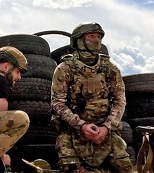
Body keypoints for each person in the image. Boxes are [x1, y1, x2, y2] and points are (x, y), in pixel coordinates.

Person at [51, 22, 134, 172]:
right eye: (91, 36)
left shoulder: (110, 69)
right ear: (79, 40)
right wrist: (81, 125)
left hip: (105, 132)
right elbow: (58, 103)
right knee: (71, 167)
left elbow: (120, 101)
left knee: (125, 167)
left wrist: (107, 128)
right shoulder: (65, 69)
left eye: (99, 37)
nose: (96, 40)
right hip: (72, 132)